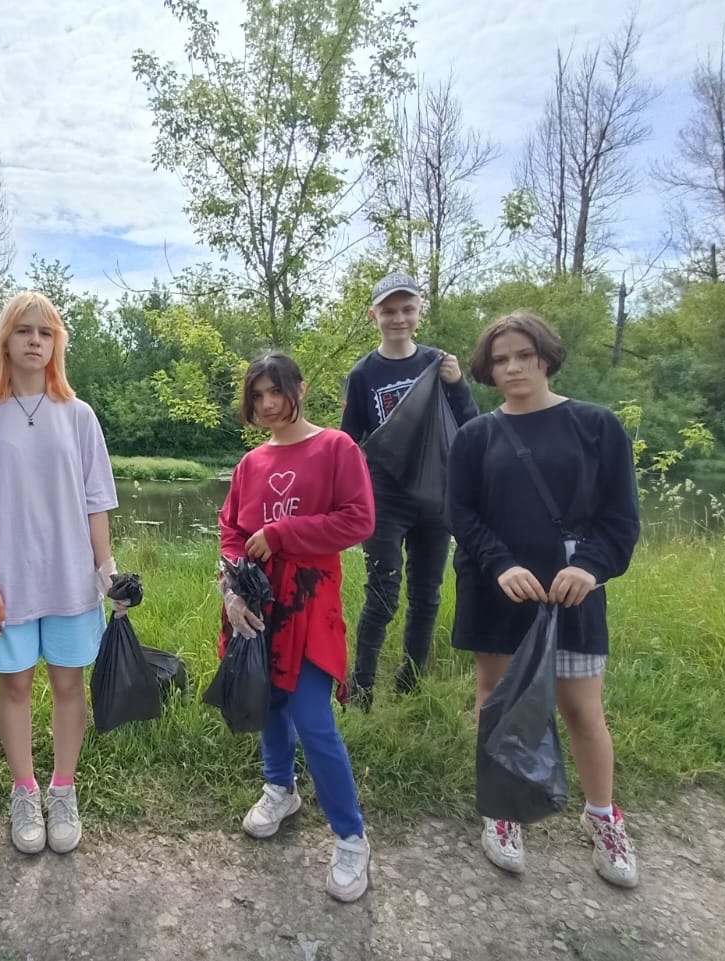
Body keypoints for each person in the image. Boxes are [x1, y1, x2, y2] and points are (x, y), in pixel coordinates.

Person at [447, 311, 640, 888]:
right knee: (497, 701)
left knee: (582, 710)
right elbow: (463, 515)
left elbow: (620, 519)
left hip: (571, 596)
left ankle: (602, 816)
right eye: (500, 359)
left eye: (523, 355)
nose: (511, 368)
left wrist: (591, 567)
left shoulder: (596, 426)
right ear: (487, 368)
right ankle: (502, 812)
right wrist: (500, 565)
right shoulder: (475, 435)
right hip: (498, 592)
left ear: (546, 357)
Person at [0, 291, 120, 857]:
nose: (34, 340)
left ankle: (63, 788)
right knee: (16, 683)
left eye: (45, 332)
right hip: (9, 580)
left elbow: (97, 500)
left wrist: (107, 574)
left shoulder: (77, 416)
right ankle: (24, 790)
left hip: (72, 578)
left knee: (68, 683)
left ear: (57, 344)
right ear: (5, 340)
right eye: (24, 330)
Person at [218, 352, 376, 903]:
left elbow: (358, 520)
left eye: (275, 392)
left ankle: (351, 836)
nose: (267, 404)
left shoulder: (336, 448)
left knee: (313, 717)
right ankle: (279, 789)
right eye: (257, 396)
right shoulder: (250, 464)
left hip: (310, 603)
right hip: (259, 603)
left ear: (300, 388)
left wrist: (284, 533)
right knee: (270, 703)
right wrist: (233, 591)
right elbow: (231, 532)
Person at [341, 272, 479, 709]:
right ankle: (361, 688)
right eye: (388, 310)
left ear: (420, 312)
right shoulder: (363, 374)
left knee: (427, 592)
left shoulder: (439, 364)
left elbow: (471, 426)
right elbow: (349, 440)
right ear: (373, 316)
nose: (398, 318)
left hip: (437, 496)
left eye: (406, 309)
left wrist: (457, 385)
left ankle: (411, 681)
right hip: (386, 496)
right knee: (382, 592)